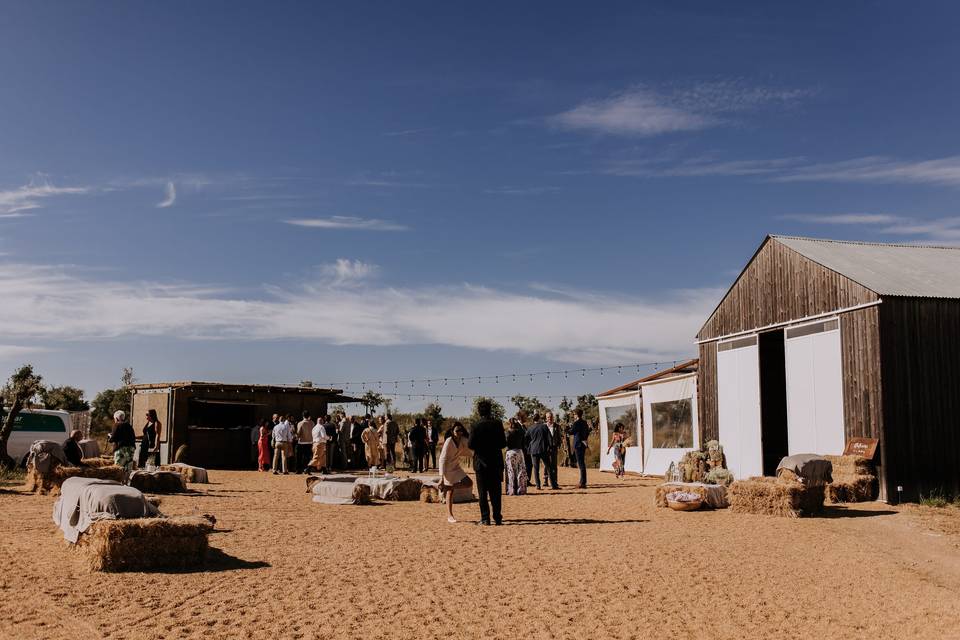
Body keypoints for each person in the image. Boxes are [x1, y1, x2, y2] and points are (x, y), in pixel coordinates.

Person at [468, 400, 506, 526]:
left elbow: (470, 444)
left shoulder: (475, 425)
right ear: (491, 410)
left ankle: (485, 518)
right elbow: (503, 443)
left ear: (479, 412)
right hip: (495, 461)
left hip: (481, 462)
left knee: (482, 492)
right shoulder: (497, 424)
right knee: (496, 492)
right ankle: (497, 517)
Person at [438, 422, 474, 523]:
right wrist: (441, 477)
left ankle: (449, 486)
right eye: (457, 430)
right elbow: (442, 459)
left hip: (456, 467)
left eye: (461, 430)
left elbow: (471, 449)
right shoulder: (449, 441)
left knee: (468, 483)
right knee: (450, 492)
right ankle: (450, 515)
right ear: (452, 432)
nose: (459, 432)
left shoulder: (463, 440)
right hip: (448, 468)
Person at [527, 413, 556, 490]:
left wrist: (529, 447)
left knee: (536, 469)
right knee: (549, 467)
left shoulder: (530, 428)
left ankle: (538, 486)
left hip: (533, 450)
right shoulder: (544, 426)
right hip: (543, 450)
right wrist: (550, 447)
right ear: (539, 419)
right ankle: (553, 485)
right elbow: (549, 437)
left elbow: (526, 439)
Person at [568, 408, 591, 489]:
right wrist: (584, 438)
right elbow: (588, 432)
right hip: (583, 444)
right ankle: (583, 481)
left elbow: (571, 432)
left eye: (574, 414)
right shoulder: (584, 423)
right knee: (582, 463)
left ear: (577, 415)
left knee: (581, 464)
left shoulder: (576, 423)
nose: (573, 416)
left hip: (578, 444)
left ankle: (582, 482)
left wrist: (568, 428)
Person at [504, 418, 528, 495]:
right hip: (519, 452)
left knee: (511, 471)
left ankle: (511, 489)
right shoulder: (520, 432)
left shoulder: (507, 433)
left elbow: (505, 443)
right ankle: (521, 489)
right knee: (521, 471)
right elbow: (524, 442)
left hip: (510, 452)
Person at [545, 411, 563, 489]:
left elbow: (559, 436)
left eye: (551, 417)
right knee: (547, 465)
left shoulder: (557, 426)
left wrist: (559, 444)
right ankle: (546, 480)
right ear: (546, 418)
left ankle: (555, 480)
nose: (550, 418)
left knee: (554, 465)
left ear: (553, 417)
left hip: (554, 447)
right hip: (546, 448)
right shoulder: (544, 426)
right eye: (548, 417)